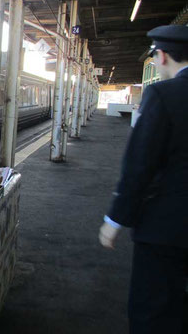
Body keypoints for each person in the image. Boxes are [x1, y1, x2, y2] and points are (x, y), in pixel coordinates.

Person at [99, 25, 188, 334]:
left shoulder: (163, 94)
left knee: (154, 313)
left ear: (161, 57)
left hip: (165, 231)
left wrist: (115, 220)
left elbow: (140, 165)